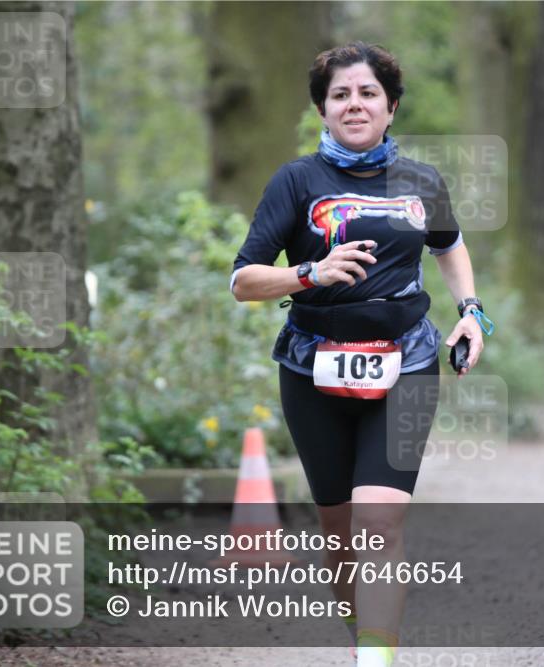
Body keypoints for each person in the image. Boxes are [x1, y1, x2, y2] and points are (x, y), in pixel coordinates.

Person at [229, 42, 488, 667]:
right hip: (312, 368)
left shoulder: (422, 180)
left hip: (407, 363)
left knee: (382, 524)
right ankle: (368, 638)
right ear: (322, 108)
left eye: (368, 93)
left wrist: (471, 312)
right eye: (340, 94)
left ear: (391, 106)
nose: (354, 104)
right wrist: (310, 273)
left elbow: (448, 244)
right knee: (342, 537)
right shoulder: (295, 182)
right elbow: (243, 282)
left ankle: (376, 658)